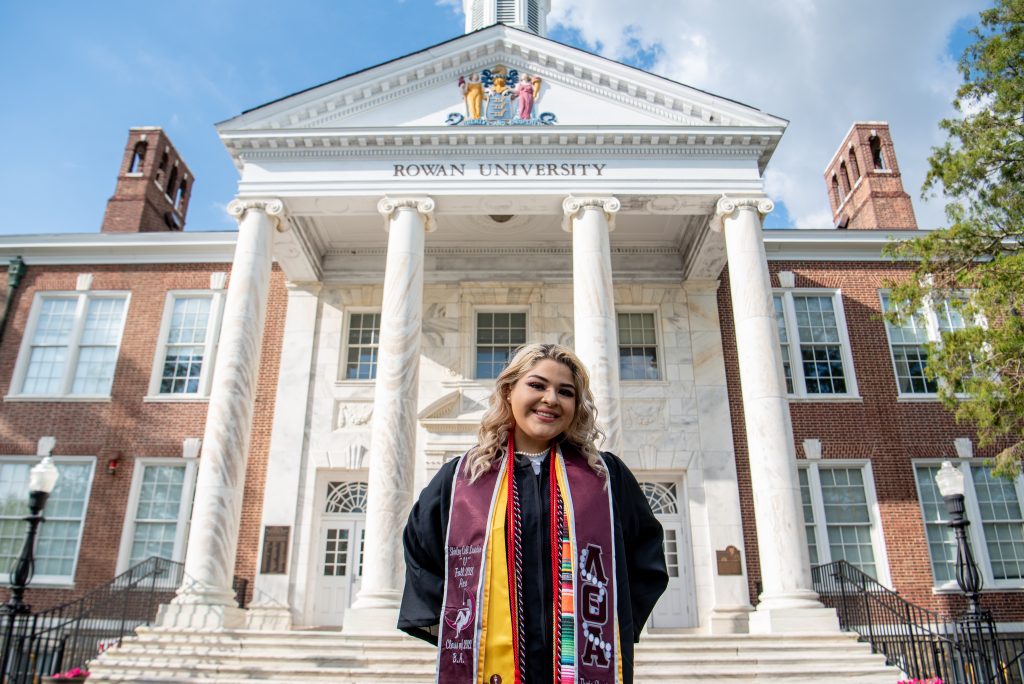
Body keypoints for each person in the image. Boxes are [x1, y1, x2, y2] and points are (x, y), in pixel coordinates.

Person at [399, 343, 668, 684]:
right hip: (488, 663)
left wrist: (612, 624)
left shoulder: (605, 476)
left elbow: (645, 559)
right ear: (509, 390)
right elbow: (421, 549)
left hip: (583, 663)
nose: (551, 399)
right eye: (537, 385)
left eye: (565, 392)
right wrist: (460, 627)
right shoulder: (464, 478)